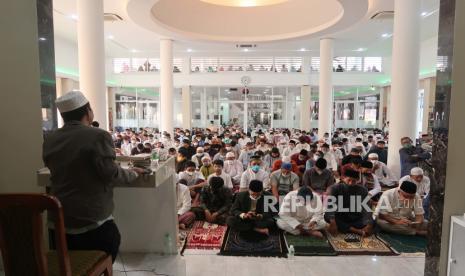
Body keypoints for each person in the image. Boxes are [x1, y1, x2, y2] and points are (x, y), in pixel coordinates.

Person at [43, 91, 144, 262]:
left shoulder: (50, 138)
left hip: (58, 221)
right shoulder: (98, 135)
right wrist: (134, 173)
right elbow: (111, 175)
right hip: (91, 222)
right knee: (112, 240)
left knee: (69, 263)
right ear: (88, 112)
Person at [325, 169, 374, 236]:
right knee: (328, 217)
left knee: (373, 222)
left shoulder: (363, 190)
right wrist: (333, 223)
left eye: (353, 181)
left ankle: (350, 229)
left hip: (355, 216)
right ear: (343, 178)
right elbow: (330, 207)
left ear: (357, 180)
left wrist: (368, 224)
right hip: (340, 215)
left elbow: (367, 208)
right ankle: (357, 231)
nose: (351, 183)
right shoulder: (335, 188)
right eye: (349, 180)